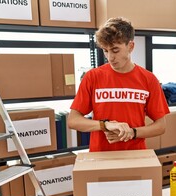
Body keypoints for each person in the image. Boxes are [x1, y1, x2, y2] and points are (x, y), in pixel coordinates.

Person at [68, 17, 170, 152]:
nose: (110, 57)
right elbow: (73, 121)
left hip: (135, 155)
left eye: (115, 50)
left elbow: (160, 126)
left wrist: (132, 133)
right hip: (101, 156)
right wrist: (105, 125)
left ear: (130, 46)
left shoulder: (149, 79)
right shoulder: (92, 77)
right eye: (105, 50)